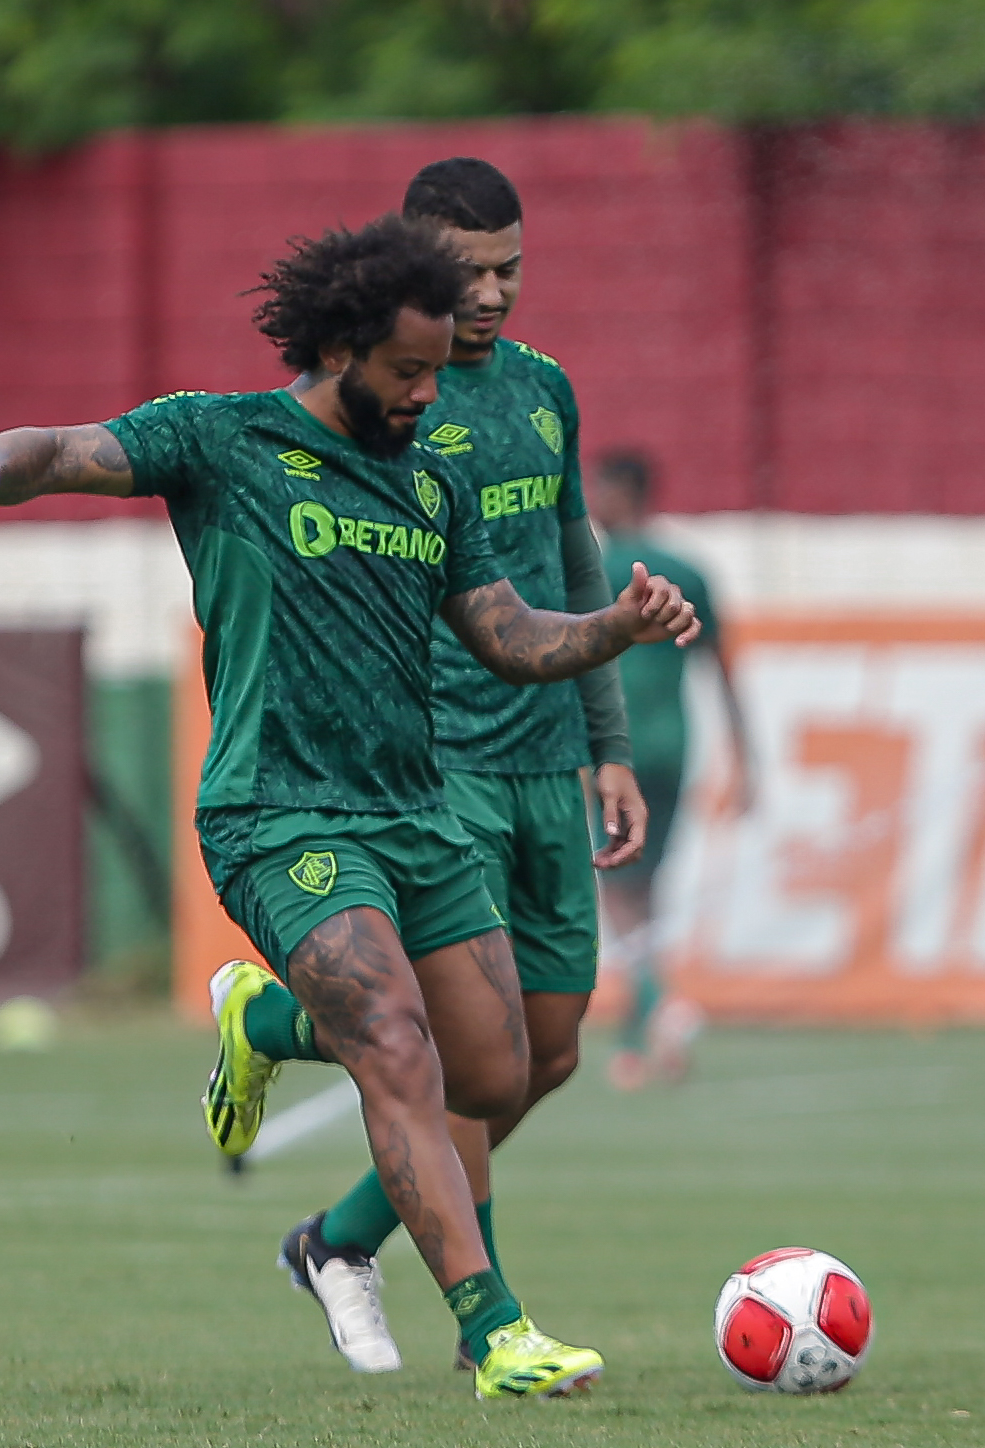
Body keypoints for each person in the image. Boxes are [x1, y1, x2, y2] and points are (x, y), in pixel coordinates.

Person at [0, 214, 699, 1398]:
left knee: (493, 1071)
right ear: (339, 349)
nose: (430, 391)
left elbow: (509, 636)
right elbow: (64, 448)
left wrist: (613, 631)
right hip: (280, 816)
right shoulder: (224, 438)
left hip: (415, 817)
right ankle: (496, 1329)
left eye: (434, 371)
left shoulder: (431, 483)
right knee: (396, 1045)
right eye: (408, 371)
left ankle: (265, 1025)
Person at [195, 158, 658, 1377]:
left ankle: (327, 1194)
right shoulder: (384, 403)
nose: (493, 293)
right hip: (431, 766)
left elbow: (570, 571)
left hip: (544, 757)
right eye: (470, 271)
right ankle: (487, 1319)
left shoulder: (546, 392)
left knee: (533, 1055)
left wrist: (607, 742)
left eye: (512, 267)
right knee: (425, 1046)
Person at [586, 449, 751, 1088]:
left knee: (618, 894)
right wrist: (747, 758)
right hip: (673, 747)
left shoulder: (592, 570)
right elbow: (722, 667)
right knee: (646, 893)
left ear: (620, 494)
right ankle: (636, 1044)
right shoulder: (688, 569)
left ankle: (662, 1007)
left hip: (611, 752)